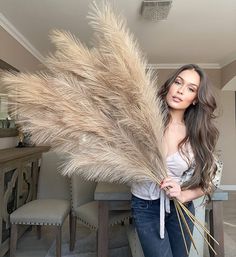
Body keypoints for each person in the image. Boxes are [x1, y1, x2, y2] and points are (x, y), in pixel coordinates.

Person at [131, 64, 219, 257]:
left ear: (196, 99)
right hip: (146, 207)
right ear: (170, 85)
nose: (180, 90)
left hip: (181, 209)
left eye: (190, 88)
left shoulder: (198, 133)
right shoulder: (143, 121)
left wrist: (183, 195)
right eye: (178, 82)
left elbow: (213, 179)